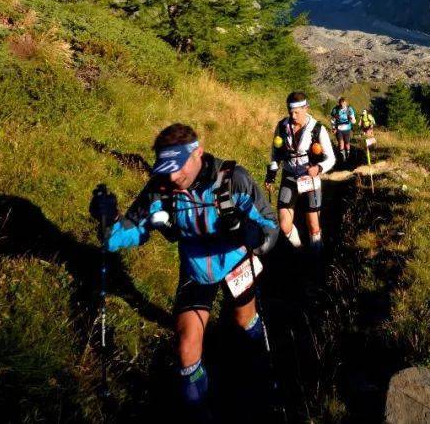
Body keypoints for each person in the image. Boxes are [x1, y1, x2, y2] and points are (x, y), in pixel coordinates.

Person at [88, 123, 279, 415]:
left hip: (236, 262)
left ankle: (260, 374)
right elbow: (123, 234)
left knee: (244, 321)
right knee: (186, 347)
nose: (174, 176)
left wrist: (256, 237)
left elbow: (269, 225)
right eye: (166, 169)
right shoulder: (160, 189)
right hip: (195, 271)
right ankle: (201, 412)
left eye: (178, 167)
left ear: (198, 153)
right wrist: (107, 219)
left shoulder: (233, 180)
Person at [266, 92, 336, 251]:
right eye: (290, 112)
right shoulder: (282, 127)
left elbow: (331, 158)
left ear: (306, 108)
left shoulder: (318, 129)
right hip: (289, 176)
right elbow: (275, 154)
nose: (293, 115)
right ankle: (299, 250)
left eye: (297, 112)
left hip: (310, 179)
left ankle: (316, 258)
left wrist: (318, 168)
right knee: (284, 225)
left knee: (313, 225)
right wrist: (271, 176)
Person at [329, 96, 356, 163]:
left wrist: (351, 119)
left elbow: (354, 121)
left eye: (344, 103)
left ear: (346, 103)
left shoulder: (349, 110)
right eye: (341, 103)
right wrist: (333, 128)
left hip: (347, 128)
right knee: (341, 143)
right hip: (339, 128)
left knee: (347, 143)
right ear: (339, 103)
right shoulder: (336, 110)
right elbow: (333, 120)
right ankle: (343, 158)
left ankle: (348, 154)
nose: (342, 105)